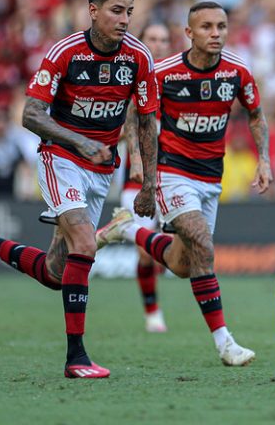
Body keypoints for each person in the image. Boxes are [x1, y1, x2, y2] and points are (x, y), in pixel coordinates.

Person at [0, 0, 159, 378]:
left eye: (129, 11)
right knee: (84, 242)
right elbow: (30, 114)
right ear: (92, 11)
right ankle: (76, 358)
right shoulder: (65, 52)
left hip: (102, 168)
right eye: (116, 11)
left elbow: (147, 122)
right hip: (61, 158)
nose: (125, 19)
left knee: (57, 273)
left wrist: (148, 182)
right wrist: (77, 142)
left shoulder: (138, 58)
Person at [94, 1, 272, 366]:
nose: (216, 34)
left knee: (183, 264)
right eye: (206, 27)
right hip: (173, 172)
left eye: (221, 26)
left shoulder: (237, 71)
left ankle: (130, 230)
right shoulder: (166, 73)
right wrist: (142, 166)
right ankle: (225, 343)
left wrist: (264, 159)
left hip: (211, 177)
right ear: (189, 33)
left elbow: (256, 115)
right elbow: (136, 116)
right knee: (204, 245)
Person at [120, 22, 171, 333]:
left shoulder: (176, 76)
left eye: (163, 39)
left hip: (172, 175)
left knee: (171, 259)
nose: (158, 44)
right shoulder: (134, 74)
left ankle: (118, 229)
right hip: (136, 179)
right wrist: (136, 159)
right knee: (144, 250)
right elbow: (129, 119)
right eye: (152, 38)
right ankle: (153, 312)